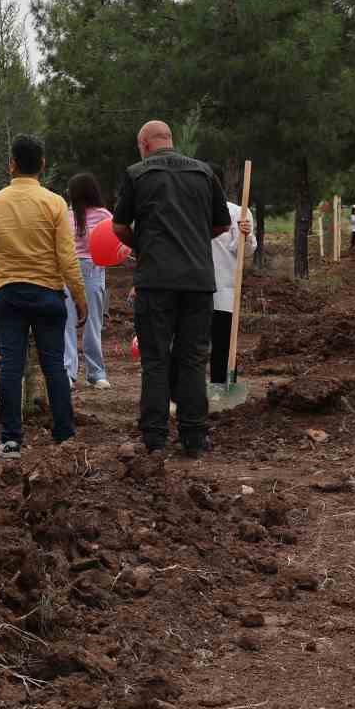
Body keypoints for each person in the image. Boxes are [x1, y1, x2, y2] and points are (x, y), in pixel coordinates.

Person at [112, 120, 232, 458]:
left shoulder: (137, 174)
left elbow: (119, 226)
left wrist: (144, 246)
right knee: (193, 359)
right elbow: (222, 223)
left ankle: (155, 439)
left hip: (155, 282)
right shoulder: (204, 173)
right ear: (170, 140)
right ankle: (194, 437)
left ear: (144, 144)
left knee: (155, 360)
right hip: (197, 281)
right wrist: (193, 241)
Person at [0, 134, 86, 461]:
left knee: (11, 364)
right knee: (54, 364)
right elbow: (67, 257)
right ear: (42, 165)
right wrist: (80, 296)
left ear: (11, 165)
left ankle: (11, 439)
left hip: (8, 294)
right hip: (47, 294)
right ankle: (64, 434)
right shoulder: (54, 203)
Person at [62, 172, 111, 390]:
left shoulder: (99, 215)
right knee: (83, 323)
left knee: (77, 323)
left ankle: (77, 373)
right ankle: (89, 373)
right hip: (87, 270)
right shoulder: (100, 215)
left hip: (78, 270)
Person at [209, 168, 257, 390]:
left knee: (223, 346)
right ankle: (186, 395)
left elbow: (244, 252)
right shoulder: (189, 210)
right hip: (191, 289)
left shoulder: (238, 213)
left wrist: (245, 236)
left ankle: (223, 390)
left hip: (223, 288)